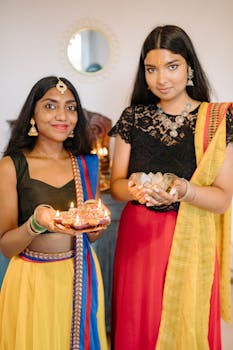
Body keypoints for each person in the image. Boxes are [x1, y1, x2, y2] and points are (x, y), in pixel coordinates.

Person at [109, 25, 233, 350]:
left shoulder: (218, 121)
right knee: (140, 326)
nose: (161, 78)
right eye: (151, 69)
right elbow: (116, 185)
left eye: (172, 66)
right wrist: (133, 187)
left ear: (189, 66)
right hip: (139, 240)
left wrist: (182, 189)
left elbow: (221, 200)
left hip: (192, 237)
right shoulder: (134, 118)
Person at [0, 76, 108, 350]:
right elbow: (6, 246)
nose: (63, 116)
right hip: (31, 281)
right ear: (33, 114)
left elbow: (90, 236)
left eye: (71, 107)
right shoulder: (12, 166)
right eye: (51, 106)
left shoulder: (86, 164)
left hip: (78, 276)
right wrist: (35, 223)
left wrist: (96, 229)